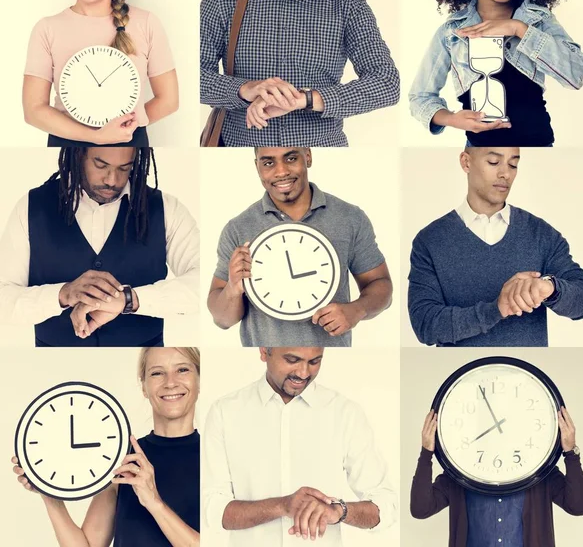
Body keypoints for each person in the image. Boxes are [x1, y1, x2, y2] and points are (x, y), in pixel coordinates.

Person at [0, 147, 199, 347]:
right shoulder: (32, 207)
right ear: (79, 155)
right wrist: (63, 294)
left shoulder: (165, 208)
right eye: (100, 165)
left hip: (139, 361)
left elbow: (202, 283)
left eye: (124, 168)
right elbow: (4, 298)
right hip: (54, 366)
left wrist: (129, 299)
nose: (112, 180)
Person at [200, 0, 399, 146]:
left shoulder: (347, 0)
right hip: (240, 149)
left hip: (324, 151)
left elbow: (387, 82)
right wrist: (245, 89)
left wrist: (304, 99)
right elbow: (193, 77)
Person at [203, 347, 398, 546]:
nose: (304, 373)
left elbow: (386, 505)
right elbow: (212, 509)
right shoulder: (225, 412)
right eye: (292, 360)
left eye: (314, 362)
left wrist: (339, 511)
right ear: (264, 351)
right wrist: (282, 506)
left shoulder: (345, 413)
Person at [11, 347, 201, 547]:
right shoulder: (123, 459)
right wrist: (49, 493)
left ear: (198, 380)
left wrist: (154, 503)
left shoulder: (214, 454)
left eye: (182, 370)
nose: (170, 382)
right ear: (144, 387)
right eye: (156, 373)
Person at [408, 147, 583, 346]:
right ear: (466, 162)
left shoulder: (542, 234)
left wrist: (550, 287)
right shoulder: (430, 240)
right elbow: (425, 325)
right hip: (460, 374)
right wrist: (496, 309)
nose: (505, 173)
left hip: (528, 373)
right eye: (493, 162)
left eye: (513, 164)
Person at [207, 147, 392, 346]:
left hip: (335, 358)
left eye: (291, 158)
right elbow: (222, 320)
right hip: (261, 357)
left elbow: (381, 285)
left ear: (308, 156)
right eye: (268, 163)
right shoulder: (237, 228)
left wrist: (357, 309)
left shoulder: (349, 217)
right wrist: (232, 289)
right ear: (257, 167)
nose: (281, 171)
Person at [409, 0, 583, 147]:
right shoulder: (452, 32)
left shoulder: (539, 21)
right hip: (479, 149)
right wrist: (450, 118)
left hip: (539, 147)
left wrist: (519, 29)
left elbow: (577, 75)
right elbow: (420, 96)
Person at [24, 0, 178, 147]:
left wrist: (129, 125)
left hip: (128, 142)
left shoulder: (146, 22)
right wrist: (96, 136)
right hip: (67, 144)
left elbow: (169, 99)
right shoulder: (47, 28)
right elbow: (33, 110)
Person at [410, 408, 583, 547]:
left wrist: (571, 452)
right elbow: (420, 509)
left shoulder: (540, 472)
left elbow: (578, 506)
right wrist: (426, 453)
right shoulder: (459, 474)